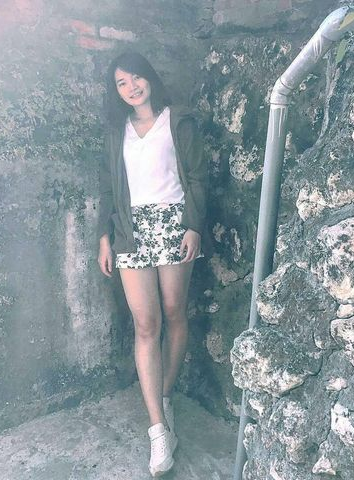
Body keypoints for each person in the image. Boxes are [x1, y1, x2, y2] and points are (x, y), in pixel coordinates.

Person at [97, 51, 207, 477]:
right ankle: (158, 429)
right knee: (146, 323)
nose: (131, 87)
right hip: (130, 231)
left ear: (149, 77)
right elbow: (108, 188)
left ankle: (164, 394)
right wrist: (104, 237)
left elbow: (197, 177)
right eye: (122, 83)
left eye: (136, 77)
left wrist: (193, 226)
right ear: (116, 91)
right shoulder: (116, 132)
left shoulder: (177, 120)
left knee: (175, 311)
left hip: (175, 224)